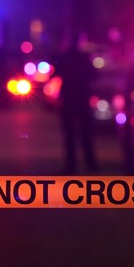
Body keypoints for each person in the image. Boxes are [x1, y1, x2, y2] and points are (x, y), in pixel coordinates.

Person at [54, 37, 99, 174]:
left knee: (70, 134)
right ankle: (90, 163)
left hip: (69, 98)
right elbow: (94, 75)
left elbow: (56, 72)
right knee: (85, 132)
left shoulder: (64, 57)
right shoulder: (84, 58)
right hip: (81, 97)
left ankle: (72, 164)